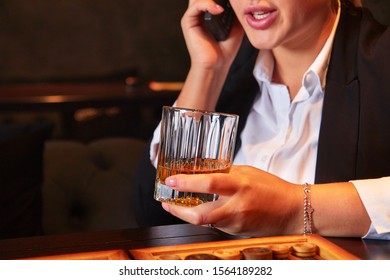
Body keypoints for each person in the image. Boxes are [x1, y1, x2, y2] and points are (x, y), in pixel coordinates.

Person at [134, 0, 390, 240]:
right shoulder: (229, 68)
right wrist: (208, 71)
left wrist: (294, 207)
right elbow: (153, 217)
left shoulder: (381, 59)